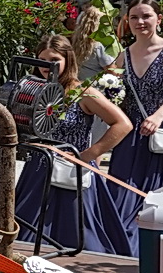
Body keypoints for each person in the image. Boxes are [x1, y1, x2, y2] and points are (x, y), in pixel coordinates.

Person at [14, 35, 135, 255]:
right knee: (26, 233)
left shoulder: (84, 93)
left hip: (73, 173)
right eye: (42, 59)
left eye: (54, 59)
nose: (47, 66)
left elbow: (123, 124)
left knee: (81, 234)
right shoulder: (34, 90)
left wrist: (88, 155)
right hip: (37, 172)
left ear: (68, 60)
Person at [107, 0, 163, 249]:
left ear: (158, 19)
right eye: (134, 17)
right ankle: (123, 246)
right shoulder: (122, 56)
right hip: (131, 133)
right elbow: (111, 91)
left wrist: (157, 117)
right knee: (123, 195)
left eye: (146, 16)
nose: (140, 22)